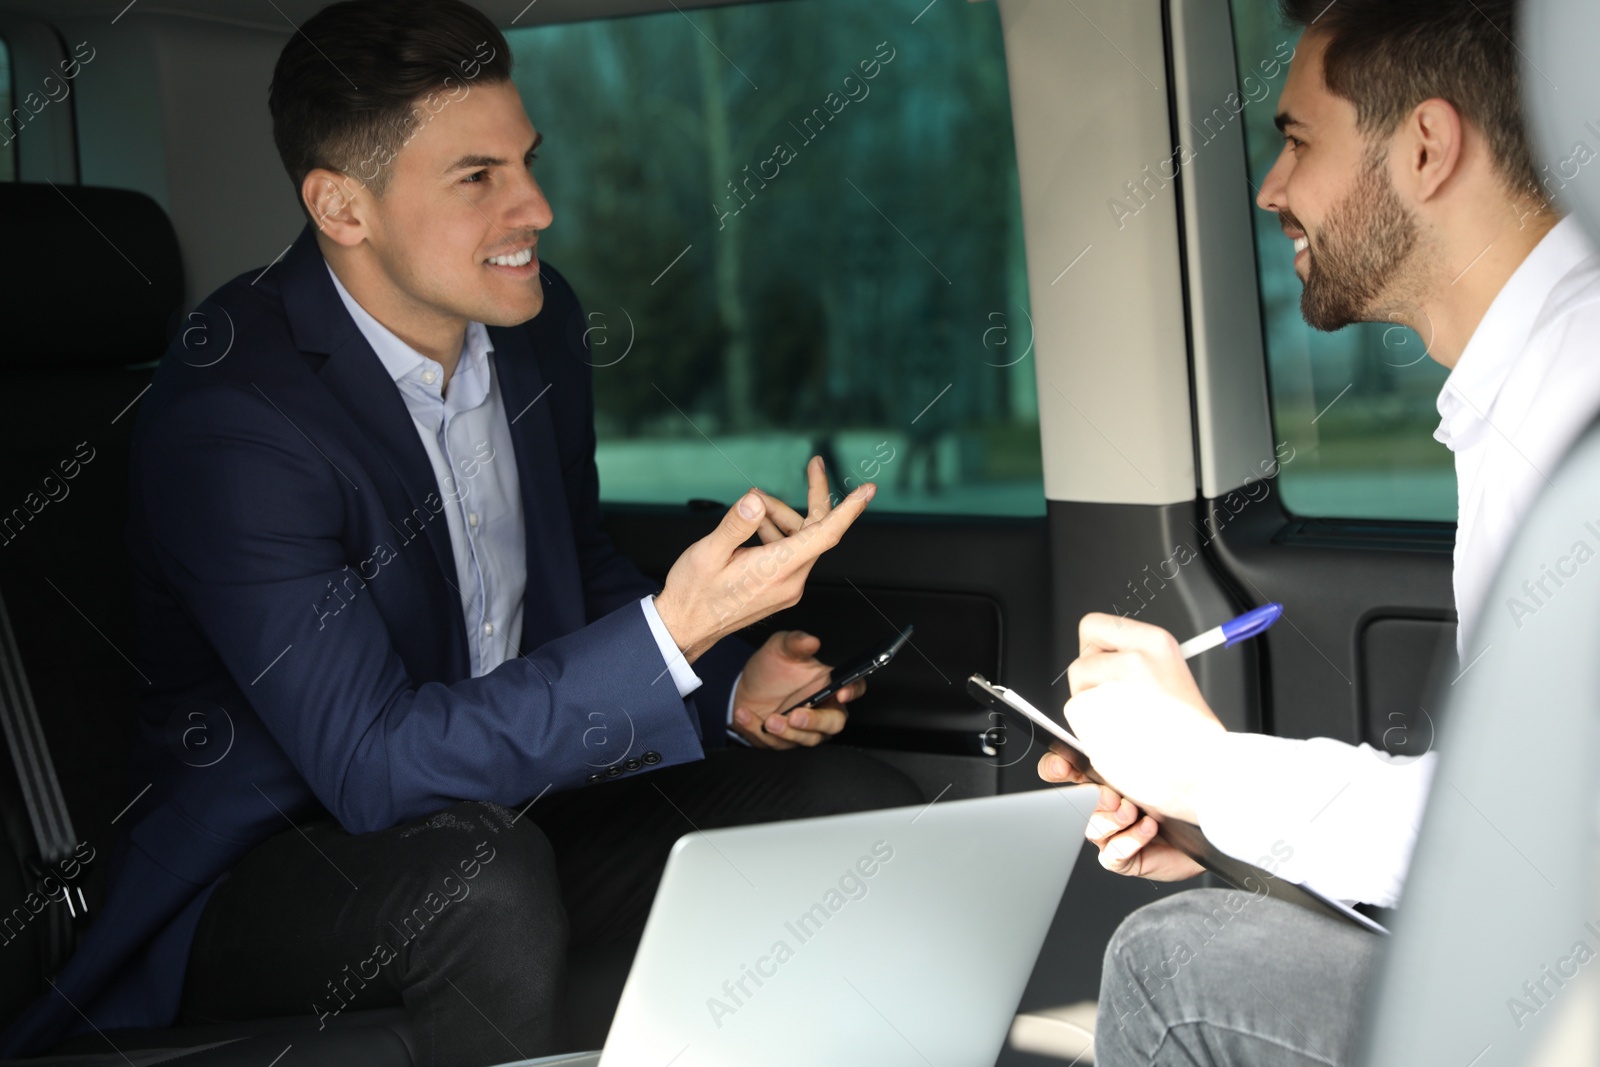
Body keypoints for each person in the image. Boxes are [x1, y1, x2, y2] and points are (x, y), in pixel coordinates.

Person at [0, 2, 923, 1062]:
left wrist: (721, 684)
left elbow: (570, 570)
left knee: (853, 810)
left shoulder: (536, 326)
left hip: (515, 804)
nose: (535, 206)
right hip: (283, 859)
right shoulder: (234, 419)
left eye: (528, 161)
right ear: (342, 207)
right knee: (478, 880)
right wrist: (674, 633)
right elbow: (374, 765)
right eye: (476, 177)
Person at [1039, 1, 1600, 1064]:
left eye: (1297, 141)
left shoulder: (1572, 405)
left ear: (1427, 148)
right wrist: (1215, 816)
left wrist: (1212, 772)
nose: (1270, 188)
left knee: (1177, 965)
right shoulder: (1521, 383)